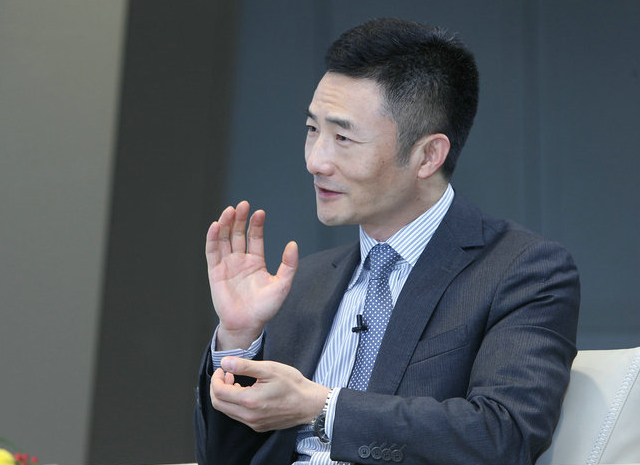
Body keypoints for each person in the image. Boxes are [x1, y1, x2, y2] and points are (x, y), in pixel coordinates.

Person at [194, 18, 580, 465]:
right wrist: (240, 338)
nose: (316, 161)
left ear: (428, 155)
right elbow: (223, 458)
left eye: (343, 137)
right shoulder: (305, 281)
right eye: (312, 129)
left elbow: (503, 435)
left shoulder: (523, 271)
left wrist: (324, 409)